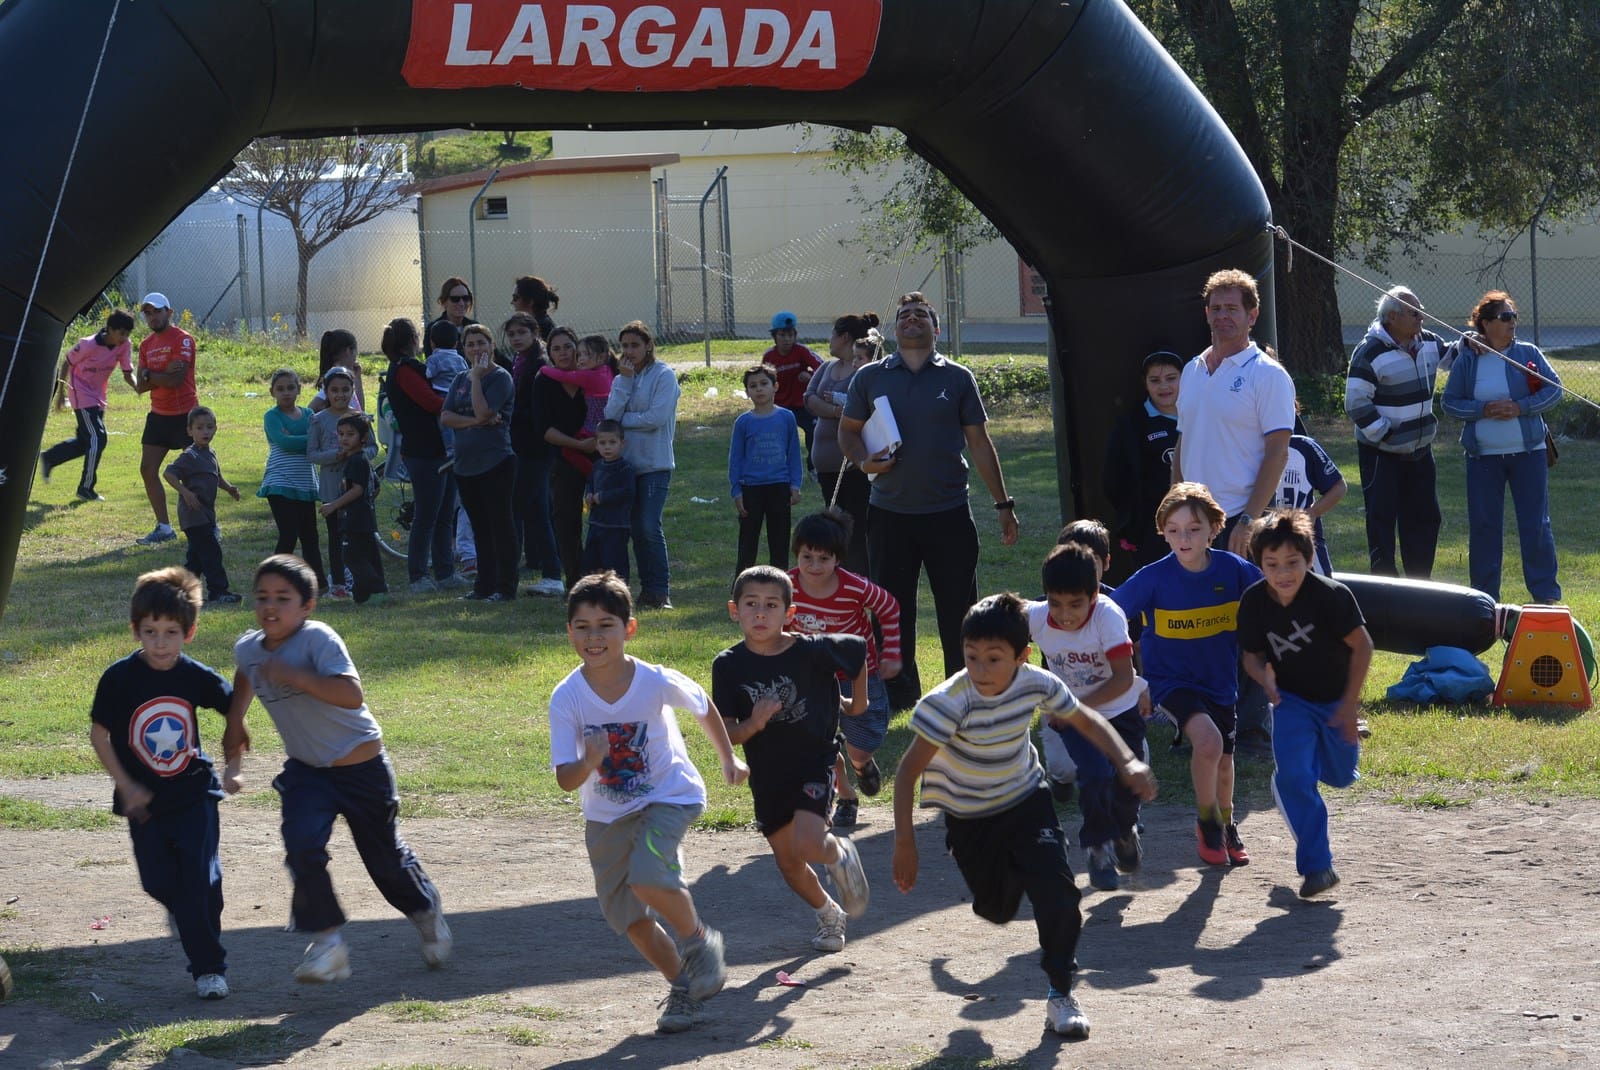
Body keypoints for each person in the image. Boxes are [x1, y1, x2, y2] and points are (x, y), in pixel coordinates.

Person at [891, 593, 1157, 1038]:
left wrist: (1127, 761)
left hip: (1026, 798)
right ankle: (1017, 873)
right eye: (971, 657)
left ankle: (1060, 993)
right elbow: (906, 774)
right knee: (997, 910)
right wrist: (905, 843)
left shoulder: (1037, 682)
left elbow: (1087, 720)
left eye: (993, 659)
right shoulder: (948, 702)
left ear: (1022, 656)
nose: (980, 670)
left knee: (1059, 895)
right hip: (970, 816)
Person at [228, 554, 451, 983]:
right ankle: (328, 945)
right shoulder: (249, 648)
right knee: (301, 846)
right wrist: (236, 720)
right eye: (262, 598)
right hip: (308, 771)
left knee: (383, 860)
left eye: (283, 598)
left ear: (307, 605)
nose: (270, 607)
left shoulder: (318, 640)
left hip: (361, 767)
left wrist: (298, 676)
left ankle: (425, 910)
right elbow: (245, 675)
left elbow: (351, 694)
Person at [548, 571, 747, 1033]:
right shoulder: (567, 697)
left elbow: (702, 706)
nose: (594, 637)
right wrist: (589, 759)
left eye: (605, 626)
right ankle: (685, 988)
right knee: (629, 918)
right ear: (569, 632)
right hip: (606, 815)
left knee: (649, 876)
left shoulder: (653, 680)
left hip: (668, 797)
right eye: (583, 627)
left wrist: (728, 759)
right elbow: (565, 779)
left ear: (629, 629)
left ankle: (699, 942)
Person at [839, 291, 1019, 708]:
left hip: (949, 513)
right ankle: (901, 693)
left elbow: (979, 442)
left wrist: (1003, 504)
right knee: (892, 609)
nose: (912, 319)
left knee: (958, 607)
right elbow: (847, 431)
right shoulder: (870, 377)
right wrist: (865, 462)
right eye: (904, 315)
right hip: (889, 515)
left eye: (921, 314)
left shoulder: (957, 378)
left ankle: (961, 688)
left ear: (936, 328)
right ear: (894, 327)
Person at [90, 566, 246, 1000]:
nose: (161, 642)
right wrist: (125, 784)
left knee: (199, 881)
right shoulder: (119, 679)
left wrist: (232, 768)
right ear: (135, 630)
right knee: (157, 881)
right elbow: (99, 734)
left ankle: (209, 969)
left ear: (189, 633)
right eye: (151, 631)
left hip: (195, 793)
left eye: (171, 632)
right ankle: (189, 915)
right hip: (144, 801)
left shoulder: (194, 676)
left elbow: (234, 715)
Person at [712, 567, 872, 954]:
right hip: (768, 776)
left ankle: (838, 854)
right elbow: (726, 733)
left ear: (790, 613)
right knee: (788, 863)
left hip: (814, 761)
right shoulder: (728, 666)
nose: (761, 614)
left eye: (772, 605)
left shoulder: (811, 650)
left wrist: (858, 703)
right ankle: (830, 914)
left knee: (808, 842)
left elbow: (856, 652)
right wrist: (754, 722)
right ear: (735, 610)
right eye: (751, 604)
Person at [1113, 483, 1262, 868]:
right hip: (1170, 681)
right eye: (1173, 529)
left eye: (1194, 529)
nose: (1184, 537)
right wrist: (1129, 673)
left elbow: (1269, 599)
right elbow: (1111, 615)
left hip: (1220, 682)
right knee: (1208, 743)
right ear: (1162, 531)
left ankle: (1226, 824)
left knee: (1226, 762)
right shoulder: (1152, 578)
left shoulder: (1234, 570)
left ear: (1215, 528)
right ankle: (1207, 824)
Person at [1238, 509, 1372, 899]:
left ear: (1309, 559)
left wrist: (1349, 706)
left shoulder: (1331, 596)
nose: (1283, 573)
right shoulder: (1253, 603)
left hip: (1335, 700)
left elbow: (1362, 645)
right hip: (1291, 700)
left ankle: (1299, 783)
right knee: (1296, 777)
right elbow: (1251, 656)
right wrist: (1266, 679)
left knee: (1341, 776)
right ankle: (1318, 867)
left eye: (1292, 563)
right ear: (1259, 563)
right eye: (1272, 564)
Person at [1028, 542, 1145, 892]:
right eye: (1056, 603)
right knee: (1094, 775)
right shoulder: (1034, 616)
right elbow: (999, 626)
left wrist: (1076, 707)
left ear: (1094, 596)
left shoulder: (1108, 616)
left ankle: (1125, 830)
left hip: (1118, 711)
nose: (1065, 614)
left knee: (1127, 786)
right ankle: (1098, 849)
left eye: (1076, 604)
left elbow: (1124, 677)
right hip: (1072, 718)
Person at [1441, 291, 1563, 603]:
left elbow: (1554, 391)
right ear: (1485, 324)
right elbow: (1450, 403)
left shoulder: (1527, 352)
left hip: (1529, 454)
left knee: (1536, 525)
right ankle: (1484, 601)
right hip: (1483, 459)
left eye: (1513, 317)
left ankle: (1545, 596)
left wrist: (1520, 408)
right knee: (1484, 527)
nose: (1512, 323)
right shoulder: (1468, 358)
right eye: (1504, 317)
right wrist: (1483, 410)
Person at [786, 509, 902, 831]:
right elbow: (772, 616)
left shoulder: (855, 588)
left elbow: (890, 607)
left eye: (824, 559)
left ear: (838, 559)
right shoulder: (787, 585)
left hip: (857, 674)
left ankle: (862, 765)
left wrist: (891, 652)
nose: (814, 566)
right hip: (812, 676)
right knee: (818, 743)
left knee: (860, 744)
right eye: (807, 557)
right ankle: (846, 797)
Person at [1171, 269, 1296, 558]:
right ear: (1206, 314)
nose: (1222, 316)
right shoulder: (1192, 370)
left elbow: (1278, 453)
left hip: (1240, 522)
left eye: (1231, 309)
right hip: (1193, 523)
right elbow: (1183, 442)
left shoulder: (1268, 375)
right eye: (1216, 309)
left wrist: (1248, 520)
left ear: (1252, 316)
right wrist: (1175, 504)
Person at [1344, 286, 1445, 578]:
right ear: (1392, 317)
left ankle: (1420, 585)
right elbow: (1355, 402)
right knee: (1382, 522)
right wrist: (1386, 434)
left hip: (1421, 453)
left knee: (1425, 520)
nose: (1422, 319)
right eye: (1415, 313)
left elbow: (1450, 355)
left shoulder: (1427, 342)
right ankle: (1386, 589)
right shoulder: (1369, 351)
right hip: (1381, 455)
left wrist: (1471, 343)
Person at [379, 318, 466, 593]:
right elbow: (430, 402)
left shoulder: (409, 368)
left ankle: (445, 572)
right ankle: (418, 575)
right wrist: (460, 404)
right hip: (424, 451)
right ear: (414, 340)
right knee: (427, 516)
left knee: (443, 514)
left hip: (438, 450)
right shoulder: (405, 370)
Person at [604, 320, 681, 609]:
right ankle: (644, 592)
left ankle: (660, 591)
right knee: (634, 528)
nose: (629, 351)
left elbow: (656, 418)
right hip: (624, 466)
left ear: (648, 345)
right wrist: (623, 381)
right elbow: (610, 417)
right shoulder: (621, 377)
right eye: (624, 345)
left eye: (635, 345)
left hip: (654, 464)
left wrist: (624, 422)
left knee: (648, 525)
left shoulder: (663, 376)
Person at [441, 324, 517, 602]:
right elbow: (446, 416)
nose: (476, 349)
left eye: (480, 343)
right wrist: (475, 422)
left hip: (495, 461)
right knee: (480, 528)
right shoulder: (458, 378)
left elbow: (485, 410)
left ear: (491, 345)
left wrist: (476, 379)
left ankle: (505, 587)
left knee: (500, 526)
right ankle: (483, 586)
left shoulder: (500, 378)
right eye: (470, 344)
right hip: (464, 464)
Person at [805, 315, 883, 574]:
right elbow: (809, 399)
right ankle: (842, 576)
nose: (829, 340)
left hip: (852, 467)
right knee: (836, 527)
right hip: (826, 468)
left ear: (845, 337)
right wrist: (837, 411)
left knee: (855, 529)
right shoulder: (827, 367)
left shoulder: (864, 371)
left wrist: (835, 409)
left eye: (832, 334)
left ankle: (861, 580)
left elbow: (862, 408)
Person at [40, 307, 136, 502]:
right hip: (80, 393)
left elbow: (127, 373)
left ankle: (50, 457)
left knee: (86, 442)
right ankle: (86, 488)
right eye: (121, 333)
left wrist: (140, 387)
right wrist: (60, 393)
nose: (124, 338)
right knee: (98, 438)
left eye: (127, 334)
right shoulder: (88, 345)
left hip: (98, 395)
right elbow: (67, 362)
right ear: (110, 329)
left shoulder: (124, 345)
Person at [1102, 350, 1182, 579]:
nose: (1163, 386)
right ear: (1145, 384)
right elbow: (1113, 479)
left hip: (1199, 524)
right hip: (1151, 529)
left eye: (1171, 378)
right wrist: (1131, 521)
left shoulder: (1201, 414)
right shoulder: (1132, 424)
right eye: (1155, 380)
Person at [134, 293, 198, 545]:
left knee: (196, 472)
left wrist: (150, 374)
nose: (152, 317)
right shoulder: (145, 345)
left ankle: (207, 525)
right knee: (147, 469)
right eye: (148, 313)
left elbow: (175, 381)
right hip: (159, 415)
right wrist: (152, 374)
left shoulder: (183, 339)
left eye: (157, 311)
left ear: (169, 312)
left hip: (185, 415)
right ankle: (164, 528)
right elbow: (140, 386)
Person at [536, 327, 597, 590]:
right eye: (556, 348)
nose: (563, 353)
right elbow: (544, 428)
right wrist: (578, 445)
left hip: (600, 456)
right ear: (549, 353)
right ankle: (575, 582)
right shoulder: (544, 380)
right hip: (565, 457)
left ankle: (602, 579)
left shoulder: (595, 374)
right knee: (565, 520)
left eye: (568, 346)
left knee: (603, 520)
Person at [163, 407, 243, 605]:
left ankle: (182, 593)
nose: (205, 432)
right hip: (193, 514)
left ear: (216, 429)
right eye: (199, 428)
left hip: (206, 514)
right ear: (190, 431)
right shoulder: (190, 456)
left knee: (196, 558)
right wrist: (185, 492)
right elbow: (169, 473)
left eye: (209, 427)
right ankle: (218, 591)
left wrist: (228, 488)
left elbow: (216, 477)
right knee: (211, 552)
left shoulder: (210, 454)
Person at [729, 364, 803, 575]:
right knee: (747, 541)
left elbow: (794, 453)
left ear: (775, 386)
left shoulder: (787, 417)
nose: (759, 389)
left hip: (779, 486)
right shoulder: (743, 422)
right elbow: (735, 459)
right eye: (753, 386)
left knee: (779, 540)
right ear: (747, 392)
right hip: (751, 487)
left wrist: (795, 485)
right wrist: (737, 491)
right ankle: (741, 585)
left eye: (764, 384)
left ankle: (780, 583)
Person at [307, 366, 374, 599]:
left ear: (352, 390)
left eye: (345, 389)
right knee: (335, 537)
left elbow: (373, 448)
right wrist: (334, 455)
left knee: (359, 536)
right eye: (334, 390)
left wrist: (357, 452)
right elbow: (312, 454)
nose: (340, 395)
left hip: (357, 487)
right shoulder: (318, 420)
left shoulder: (360, 418)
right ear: (326, 392)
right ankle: (338, 583)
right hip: (331, 487)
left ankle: (362, 580)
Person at [258, 368, 326, 591]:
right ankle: (273, 581)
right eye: (280, 389)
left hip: (305, 483)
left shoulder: (308, 415)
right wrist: (306, 440)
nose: (286, 393)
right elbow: (283, 442)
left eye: (290, 388)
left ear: (299, 389)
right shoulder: (272, 416)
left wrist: (297, 438)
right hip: (279, 483)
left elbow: (318, 440)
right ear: (272, 392)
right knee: (288, 534)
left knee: (310, 536)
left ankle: (318, 583)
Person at [319, 414, 388, 605]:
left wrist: (334, 505)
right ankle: (363, 594)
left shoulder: (356, 461)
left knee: (351, 557)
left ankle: (377, 589)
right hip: (364, 517)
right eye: (340, 434)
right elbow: (374, 487)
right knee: (368, 555)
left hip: (355, 519)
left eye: (350, 434)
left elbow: (357, 489)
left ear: (363, 438)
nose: (344, 438)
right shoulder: (360, 459)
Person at [539, 333, 618, 477]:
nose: (581, 358)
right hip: (608, 424)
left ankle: (594, 474)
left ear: (601, 357)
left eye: (586, 354)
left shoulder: (588, 375)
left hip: (593, 426)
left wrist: (543, 369)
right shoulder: (607, 370)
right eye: (580, 354)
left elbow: (564, 376)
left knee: (568, 451)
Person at [1276, 420, 1347, 576]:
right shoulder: (1246, 446)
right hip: (1265, 542)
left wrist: (1313, 512)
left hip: (1304, 541)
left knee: (1322, 595)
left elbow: (1339, 486)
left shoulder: (1304, 446)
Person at [764, 311, 823, 475]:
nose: (787, 339)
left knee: (814, 432)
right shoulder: (769, 356)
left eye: (790, 335)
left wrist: (810, 375)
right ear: (775, 336)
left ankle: (814, 468)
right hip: (780, 406)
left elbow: (822, 368)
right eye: (782, 335)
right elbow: (764, 380)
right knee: (780, 439)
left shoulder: (801, 351)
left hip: (803, 404)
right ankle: (781, 470)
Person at [584, 419, 634, 578]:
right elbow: (590, 483)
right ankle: (595, 596)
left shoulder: (625, 468)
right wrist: (589, 495)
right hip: (596, 523)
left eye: (612, 442)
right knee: (592, 562)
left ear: (622, 443)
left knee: (615, 564)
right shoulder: (597, 465)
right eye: (603, 442)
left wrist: (603, 497)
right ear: (596, 444)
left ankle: (618, 596)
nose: (607, 447)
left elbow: (628, 492)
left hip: (616, 525)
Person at [309, 329, 366, 414]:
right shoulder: (335, 377)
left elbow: (359, 410)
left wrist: (358, 378)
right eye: (355, 351)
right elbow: (310, 409)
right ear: (348, 351)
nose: (356, 356)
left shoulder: (344, 376)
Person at [423, 276, 477, 357]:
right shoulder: (434, 329)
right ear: (444, 302)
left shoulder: (475, 327)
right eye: (455, 299)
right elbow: (430, 358)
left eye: (465, 298)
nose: (461, 303)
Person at [511, 274, 559, 345]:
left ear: (530, 302)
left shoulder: (540, 328)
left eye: (515, 298)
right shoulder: (540, 323)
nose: (512, 302)